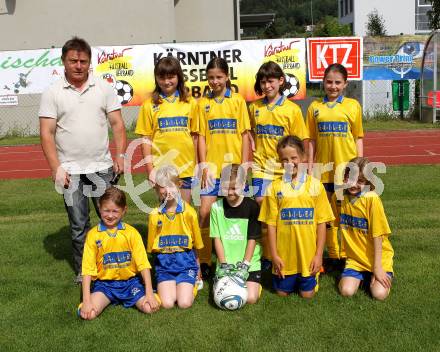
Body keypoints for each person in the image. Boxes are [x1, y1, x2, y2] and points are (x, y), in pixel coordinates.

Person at [39, 37, 127, 283]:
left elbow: (118, 125)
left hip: (102, 168)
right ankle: (84, 270)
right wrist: (56, 168)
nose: (78, 66)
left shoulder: (104, 88)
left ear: (90, 62)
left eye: (83, 61)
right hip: (70, 172)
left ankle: (116, 264)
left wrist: (120, 155)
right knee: (78, 226)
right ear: (63, 61)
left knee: (111, 218)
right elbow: (46, 133)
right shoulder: (52, 92)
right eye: (73, 61)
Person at [248, 61, 309, 266]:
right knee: (263, 209)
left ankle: (282, 250)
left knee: (283, 212)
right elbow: (252, 134)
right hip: (261, 168)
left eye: (271, 81)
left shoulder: (292, 110)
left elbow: (300, 142)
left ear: (281, 81)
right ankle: (267, 255)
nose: (267, 86)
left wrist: (301, 168)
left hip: (284, 169)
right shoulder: (254, 107)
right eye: (263, 82)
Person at [259, 136, 334, 298]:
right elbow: (270, 225)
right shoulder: (274, 187)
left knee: (307, 295)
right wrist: (274, 255)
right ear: (280, 161)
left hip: (308, 256)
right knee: (281, 293)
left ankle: (314, 274)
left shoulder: (315, 186)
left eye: (294, 158)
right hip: (285, 257)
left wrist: (319, 255)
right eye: (284, 159)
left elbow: (322, 223)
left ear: (303, 157)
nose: (290, 163)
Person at [197, 57, 251, 278]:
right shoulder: (202, 103)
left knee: (236, 214)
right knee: (205, 212)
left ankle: (238, 257)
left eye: (219, 77)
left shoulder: (237, 101)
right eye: (211, 77)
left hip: (233, 171)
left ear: (227, 77)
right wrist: (203, 166)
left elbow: (246, 136)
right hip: (212, 169)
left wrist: (245, 166)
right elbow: (200, 137)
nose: (215, 81)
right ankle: (203, 261)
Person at [306, 63, 364, 268]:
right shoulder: (314, 108)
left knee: (346, 215)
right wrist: (311, 167)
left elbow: (357, 137)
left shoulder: (352, 106)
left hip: (346, 172)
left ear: (345, 84)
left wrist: (359, 167)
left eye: (337, 82)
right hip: (323, 173)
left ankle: (349, 254)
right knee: (326, 216)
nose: (333, 86)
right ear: (323, 83)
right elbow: (311, 140)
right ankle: (332, 255)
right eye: (329, 82)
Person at [78, 187, 160, 320]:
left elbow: (143, 264)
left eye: (115, 211)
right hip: (104, 286)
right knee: (89, 314)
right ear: (99, 208)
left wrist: (149, 292)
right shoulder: (93, 235)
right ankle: (97, 300)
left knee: (149, 308)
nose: (110, 215)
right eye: (106, 210)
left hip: (130, 284)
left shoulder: (132, 233)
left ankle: (154, 294)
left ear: (124, 211)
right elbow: (87, 269)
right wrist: (86, 301)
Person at [135, 56, 198, 203]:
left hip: (186, 168)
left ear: (179, 77)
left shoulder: (190, 102)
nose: (166, 82)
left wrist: (197, 166)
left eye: (171, 77)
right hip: (161, 170)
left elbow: (195, 137)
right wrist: (150, 170)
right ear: (156, 79)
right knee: (167, 212)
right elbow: (146, 140)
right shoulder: (149, 105)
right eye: (161, 78)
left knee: (184, 211)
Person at [335, 157, 394, 301]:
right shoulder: (339, 197)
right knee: (346, 291)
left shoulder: (371, 199)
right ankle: (363, 276)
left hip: (378, 259)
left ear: (368, 183)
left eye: (360, 181)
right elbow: (332, 225)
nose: (354, 184)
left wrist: (377, 268)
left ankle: (376, 274)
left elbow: (377, 235)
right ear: (345, 177)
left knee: (379, 295)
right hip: (355, 259)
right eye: (351, 178)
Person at [147, 165, 204, 309]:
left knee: (184, 303)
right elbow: (152, 250)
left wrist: (198, 268)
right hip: (165, 267)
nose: (167, 190)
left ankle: (193, 286)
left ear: (179, 185)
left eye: (171, 185)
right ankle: (166, 287)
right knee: (167, 303)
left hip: (186, 265)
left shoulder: (189, 213)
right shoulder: (154, 215)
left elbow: (196, 244)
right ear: (157, 189)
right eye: (163, 187)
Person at [210, 164, 262, 304]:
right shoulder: (216, 207)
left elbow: (252, 239)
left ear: (244, 184)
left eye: (234, 188)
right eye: (226, 188)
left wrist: (245, 264)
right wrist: (223, 264)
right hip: (226, 264)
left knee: (250, 299)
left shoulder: (252, 207)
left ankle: (256, 287)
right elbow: (217, 239)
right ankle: (220, 279)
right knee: (222, 298)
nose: (230, 192)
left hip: (248, 263)